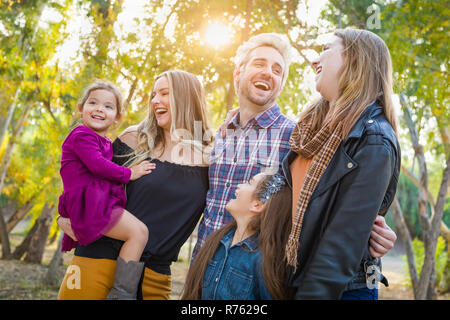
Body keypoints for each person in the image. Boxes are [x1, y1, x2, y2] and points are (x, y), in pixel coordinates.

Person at [193, 32, 397, 294]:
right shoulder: (306, 134)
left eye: (277, 69)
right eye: (259, 64)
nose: (268, 73)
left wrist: (368, 228)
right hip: (207, 264)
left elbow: (343, 213)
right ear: (238, 72)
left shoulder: (294, 135)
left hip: (258, 277)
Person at [57, 70, 212, 300]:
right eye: (153, 94)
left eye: (164, 93)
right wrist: (63, 216)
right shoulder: (133, 139)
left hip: (155, 275)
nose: (155, 100)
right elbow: (85, 178)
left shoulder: (211, 157)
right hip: (96, 260)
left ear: (187, 98)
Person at [283, 28, 401, 299]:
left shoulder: (374, 139)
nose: (315, 60)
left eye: (326, 48)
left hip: (340, 290)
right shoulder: (310, 129)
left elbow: (340, 246)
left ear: (355, 59)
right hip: (292, 276)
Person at [57, 80, 154, 299]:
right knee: (138, 233)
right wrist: (130, 173)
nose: (100, 109)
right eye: (93, 103)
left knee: (137, 233)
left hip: (94, 201)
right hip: (89, 204)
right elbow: (97, 165)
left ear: (117, 117)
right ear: (81, 108)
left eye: (108, 106)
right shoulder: (81, 135)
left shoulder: (105, 141)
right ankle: (122, 294)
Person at [182, 173, 294, 300]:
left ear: (257, 205)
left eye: (249, 182)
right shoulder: (217, 241)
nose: (239, 186)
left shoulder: (262, 260)